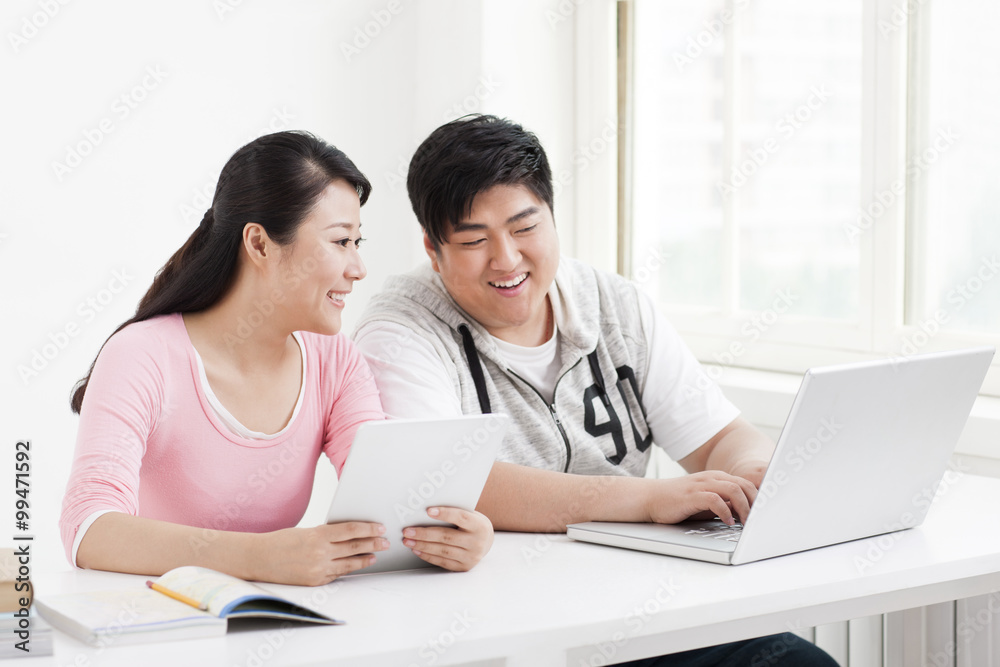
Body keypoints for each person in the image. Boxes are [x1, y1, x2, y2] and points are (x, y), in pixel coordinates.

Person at [353, 115, 838, 665]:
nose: (507, 259)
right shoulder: (398, 332)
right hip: (493, 629)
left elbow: (723, 436)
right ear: (433, 249)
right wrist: (650, 499)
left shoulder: (614, 305)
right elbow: (448, 482)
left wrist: (750, 475)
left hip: (637, 609)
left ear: (553, 219)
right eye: (473, 240)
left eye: (525, 227)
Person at [60, 130, 493, 586]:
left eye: (357, 243)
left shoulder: (335, 362)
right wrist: (256, 558)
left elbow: (391, 499)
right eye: (340, 241)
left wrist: (456, 532)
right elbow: (88, 529)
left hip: (274, 628)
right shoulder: (142, 356)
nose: (358, 268)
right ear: (260, 244)